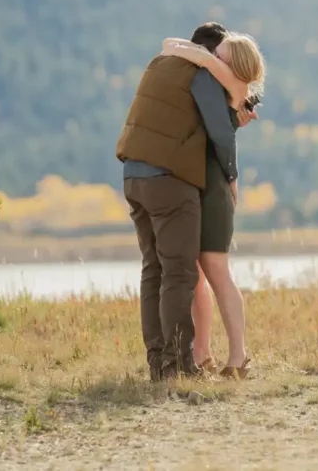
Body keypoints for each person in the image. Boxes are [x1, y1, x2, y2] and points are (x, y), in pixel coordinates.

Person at [115, 22, 243, 381]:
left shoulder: (160, 63)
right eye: (223, 60)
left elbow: (184, 122)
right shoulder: (199, 72)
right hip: (169, 181)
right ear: (211, 54)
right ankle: (178, 364)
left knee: (153, 269)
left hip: (133, 176)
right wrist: (232, 175)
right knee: (180, 272)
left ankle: (158, 362)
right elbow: (219, 132)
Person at [160, 30, 265, 379]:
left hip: (214, 191)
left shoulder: (228, 86)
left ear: (233, 66)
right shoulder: (219, 93)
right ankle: (202, 353)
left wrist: (233, 177)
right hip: (200, 187)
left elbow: (220, 141)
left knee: (218, 273)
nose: (212, 60)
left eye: (220, 57)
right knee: (198, 277)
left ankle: (239, 357)